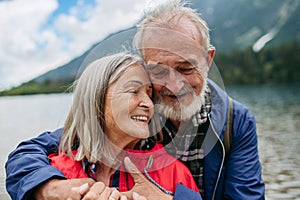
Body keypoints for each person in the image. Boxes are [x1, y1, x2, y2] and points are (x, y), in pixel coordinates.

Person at [5, 0, 265, 199]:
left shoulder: (236, 122)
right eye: (159, 71)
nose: (174, 85)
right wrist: (50, 188)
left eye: (186, 68)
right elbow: (29, 152)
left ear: (208, 59)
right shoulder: (135, 114)